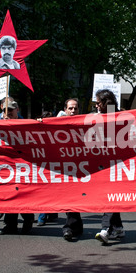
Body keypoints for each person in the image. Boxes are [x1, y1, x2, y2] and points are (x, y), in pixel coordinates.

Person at [0, 99, 35, 235]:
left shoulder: (25, 124)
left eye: (10, 111)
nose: (7, 114)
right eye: (4, 111)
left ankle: (28, 219)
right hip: (6, 165)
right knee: (9, 194)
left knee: (23, 194)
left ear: (17, 110)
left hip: (22, 165)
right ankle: (10, 224)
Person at [94, 90, 125, 244]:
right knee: (112, 196)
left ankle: (105, 229)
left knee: (110, 196)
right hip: (104, 164)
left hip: (119, 165)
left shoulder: (121, 116)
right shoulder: (97, 117)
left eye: (98, 102)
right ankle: (118, 227)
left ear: (106, 103)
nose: (96, 105)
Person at [60, 98, 85, 241]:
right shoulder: (57, 124)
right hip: (66, 168)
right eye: (70, 108)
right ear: (65, 110)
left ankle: (76, 225)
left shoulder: (87, 123)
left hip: (84, 167)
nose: (73, 111)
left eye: (75, 108)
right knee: (70, 196)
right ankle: (69, 227)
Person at [36, 111, 59, 226]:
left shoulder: (57, 131)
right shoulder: (37, 131)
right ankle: (45, 215)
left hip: (54, 167)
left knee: (48, 192)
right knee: (44, 192)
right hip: (42, 166)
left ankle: (44, 216)